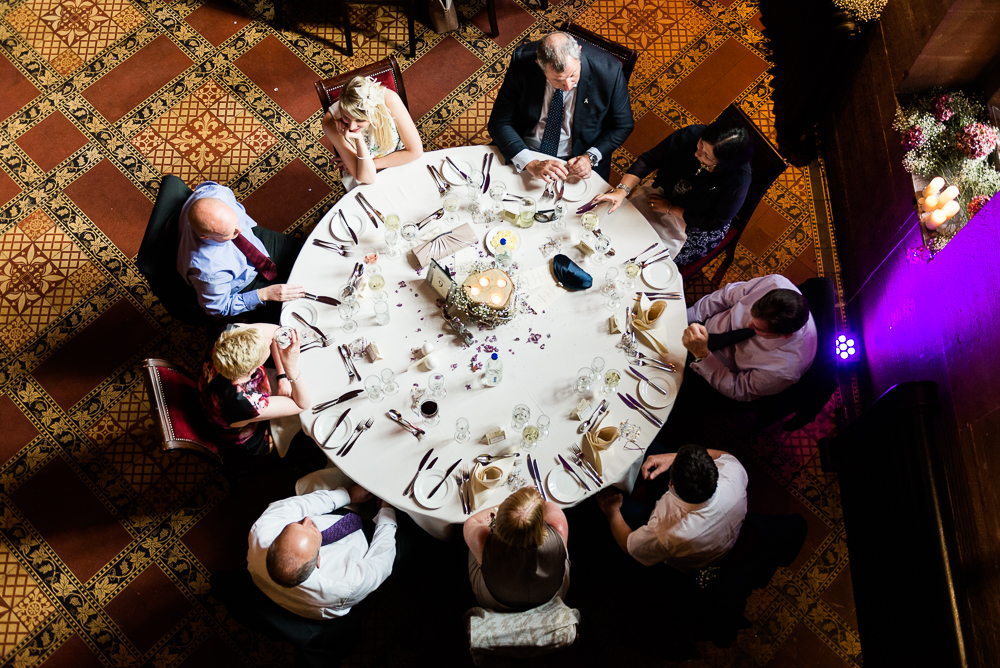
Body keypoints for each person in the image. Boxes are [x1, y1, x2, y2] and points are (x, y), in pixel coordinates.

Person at [593, 119, 752, 265]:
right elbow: (649, 160)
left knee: (642, 259)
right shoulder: (691, 135)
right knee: (612, 226)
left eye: (707, 157)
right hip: (664, 194)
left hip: (695, 225)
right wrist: (622, 190)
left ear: (723, 163)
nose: (698, 154)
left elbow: (715, 221)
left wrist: (671, 209)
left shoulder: (737, 180)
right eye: (701, 145)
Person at [487, 31, 634, 183]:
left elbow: (623, 125)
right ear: (539, 65)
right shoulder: (522, 62)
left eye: (573, 75)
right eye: (557, 80)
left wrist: (590, 157)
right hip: (526, 151)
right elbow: (499, 122)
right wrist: (530, 163)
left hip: (577, 161)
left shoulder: (609, 71)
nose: (568, 86)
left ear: (579, 51)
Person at [248, 485, 397, 619]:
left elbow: (300, 505)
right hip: (361, 544)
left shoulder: (262, 530)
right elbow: (381, 558)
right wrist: (387, 512)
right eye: (312, 528)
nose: (307, 519)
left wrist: (349, 495)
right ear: (319, 560)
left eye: (297, 523)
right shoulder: (346, 584)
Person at [597, 444, 748, 571]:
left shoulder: (668, 533)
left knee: (610, 504)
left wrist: (612, 509)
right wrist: (670, 457)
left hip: (684, 556)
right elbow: (723, 456)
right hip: (714, 531)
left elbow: (627, 545)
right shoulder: (733, 470)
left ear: (671, 483)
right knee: (652, 450)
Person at [681, 274, 817, 403]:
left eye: (758, 328)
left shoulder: (785, 369)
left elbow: (739, 389)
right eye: (752, 315)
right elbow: (725, 296)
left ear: (785, 335)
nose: (748, 324)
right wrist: (686, 318)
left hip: (715, 369)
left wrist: (702, 356)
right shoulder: (774, 283)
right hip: (706, 324)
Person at [177, 182, 304, 318]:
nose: (240, 230)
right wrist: (264, 294)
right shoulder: (208, 271)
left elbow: (209, 188)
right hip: (244, 284)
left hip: (256, 242)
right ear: (206, 236)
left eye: (236, 223)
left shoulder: (217, 193)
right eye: (229, 233)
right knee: (296, 310)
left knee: (310, 253)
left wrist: (235, 230)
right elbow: (219, 308)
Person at [199, 323, 310, 457]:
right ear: (253, 370)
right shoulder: (244, 401)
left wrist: (283, 377)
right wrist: (290, 368)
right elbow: (301, 404)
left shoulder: (228, 336)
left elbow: (277, 333)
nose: (268, 340)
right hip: (254, 430)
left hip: (217, 389)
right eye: (265, 345)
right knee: (311, 404)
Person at [463, 487, 571, 611]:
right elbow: (546, 505)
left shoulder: (482, 539)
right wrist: (528, 503)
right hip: (550, 597)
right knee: (563, 550)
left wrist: (504, 508)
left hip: (500, 604)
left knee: (473, 545)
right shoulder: (558, 526)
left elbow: (472, 521)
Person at [321, 75, 422, 189]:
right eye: (346, 117)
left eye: (360, 120)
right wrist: (359, 139)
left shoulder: (390, 100)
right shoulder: (330, 123)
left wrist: (367, 164)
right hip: (368, 180)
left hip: (401, 163)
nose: (351, 126)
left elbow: (416, 152)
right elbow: (367, 178)